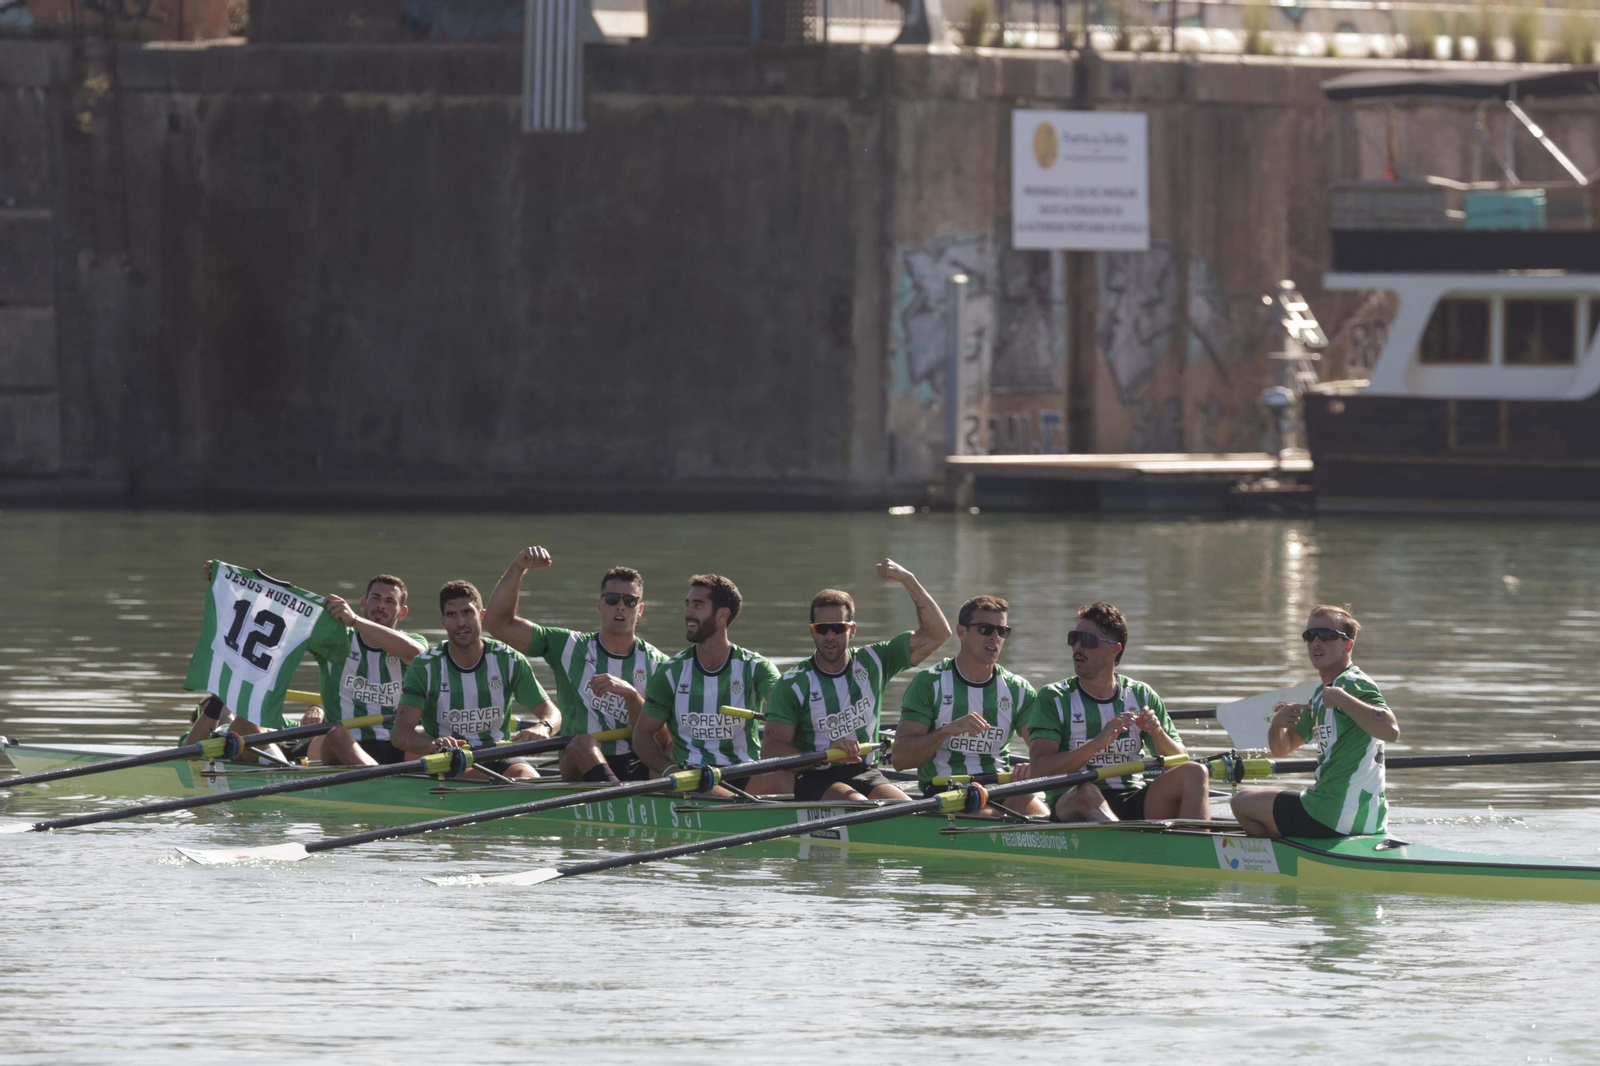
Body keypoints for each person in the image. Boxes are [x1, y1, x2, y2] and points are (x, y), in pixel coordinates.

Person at [762, 559, 950, 803]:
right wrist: (826, 755)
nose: (830, 636)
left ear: (852, 630)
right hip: (814, 776)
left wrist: (907, 578)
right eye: (822, 628)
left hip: (864, 771)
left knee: (906, 808)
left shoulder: (876, 661)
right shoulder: (793, 684)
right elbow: (770, 749)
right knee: (858, 805)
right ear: (811, 631)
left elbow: (939, 634)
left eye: (838, 628)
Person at [484, 547, 669, 784]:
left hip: (637, 763)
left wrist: (632, 696)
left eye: (630, 601)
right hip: (579, 764)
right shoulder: (568, 646)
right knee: (583, 742)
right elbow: (497, 623)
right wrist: (519, 567)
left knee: (675, 749)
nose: (620, 606)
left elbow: (662, 742)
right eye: (612, 599)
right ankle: (615, 794)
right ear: (600, 604)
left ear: (640, 609)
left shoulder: (659, 664)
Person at [1026, 602, 1208, 823]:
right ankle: (1126, 839)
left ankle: (1199, 845)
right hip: (1073, 800)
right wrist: (1096, 744)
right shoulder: (1053, 697)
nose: (1078, 647)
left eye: (1088, 640)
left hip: (1131, 796)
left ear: (1114, 649)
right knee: (1087, 792)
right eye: (1075, 638)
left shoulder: (1142, 695)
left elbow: (1178, 761)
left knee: (1195, 772)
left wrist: (1157, 733)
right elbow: (1039, 770)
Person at [1231, 604, 1399, 838]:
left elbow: (1391, 730)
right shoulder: (1321, 695)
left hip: (1329, 814)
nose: (1317, 642)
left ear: (1348, 645)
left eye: (1328, 636)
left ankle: (1281, 863)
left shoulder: (1352, 684)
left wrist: (1343, 699)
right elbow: (1281, 748)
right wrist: (1278, 724)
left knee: (1241, 802)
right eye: (1310, 636)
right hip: (1370, 820)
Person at [892, 595, 1047, 817]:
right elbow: (900, 759)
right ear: (961, 632)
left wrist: (1035, 766)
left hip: (998, 785)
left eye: (1001, 631)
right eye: (986, 629)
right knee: (999, 818)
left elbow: (1045, 753)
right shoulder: (930, 683)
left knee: (1045, 817)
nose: (995, 637)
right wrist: (945, 731)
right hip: (946, 789)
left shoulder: (1018, 690)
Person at [392, 580, 561, 781]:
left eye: (468, 612)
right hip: (448, 758)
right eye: (452, 615)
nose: (461, 622)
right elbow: (400, 734)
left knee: (529, 778)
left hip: (498, 753)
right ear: (443, 622)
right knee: (485, 779)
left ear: (482, 615)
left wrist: (543, 727)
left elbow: (551, 712)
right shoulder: (425, 667)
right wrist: (434, 744)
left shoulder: (508, 659)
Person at [634, 575, 779, 798]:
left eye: (698, 605)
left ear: (722, 614)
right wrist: (669, 770)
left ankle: (742, 806)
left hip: (745, 772)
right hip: (691, 776)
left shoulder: (756, 668)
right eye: (688, 604)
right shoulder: (671, 672)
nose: (688, 612)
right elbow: (643, 734)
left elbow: (787, 705)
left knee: (785, 778)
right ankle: (740, 808)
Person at [311, 576, 430, 766]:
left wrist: (355, 620)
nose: (381, 605)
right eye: (375, 598)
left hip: (394, 745)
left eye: (390, 601)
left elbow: (416, 655)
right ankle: (380, 783)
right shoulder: (337, 640)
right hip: (343, 746)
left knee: (438, 737)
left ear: (402, 612)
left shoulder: (414, 641)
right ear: (363, 604)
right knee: (336, 734)